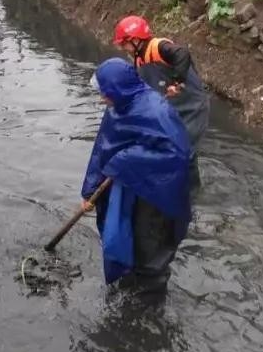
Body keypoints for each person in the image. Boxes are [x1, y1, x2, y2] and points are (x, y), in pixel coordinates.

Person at [81, 58, 191, 296]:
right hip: (129, 186)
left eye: (105, 93)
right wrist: (89, 190)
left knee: (150, 242)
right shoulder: (117, 107)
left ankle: (150, 298)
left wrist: (125, 160)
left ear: (117, 89)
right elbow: (103, 147)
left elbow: (178, 153)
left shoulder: (157, 111)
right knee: (126, 235)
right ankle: (131, 279)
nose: (102, 98)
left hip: (157, 192)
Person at [113, 15, 209, 183]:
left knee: (185, 150)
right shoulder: (139, 61)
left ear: (135, 40)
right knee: (168, 147)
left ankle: (192, 193)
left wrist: (176, 81)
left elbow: (182, 53)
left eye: (124, 43)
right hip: (176, 109)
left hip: (194, 107)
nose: (123, 48)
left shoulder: (158, 47)